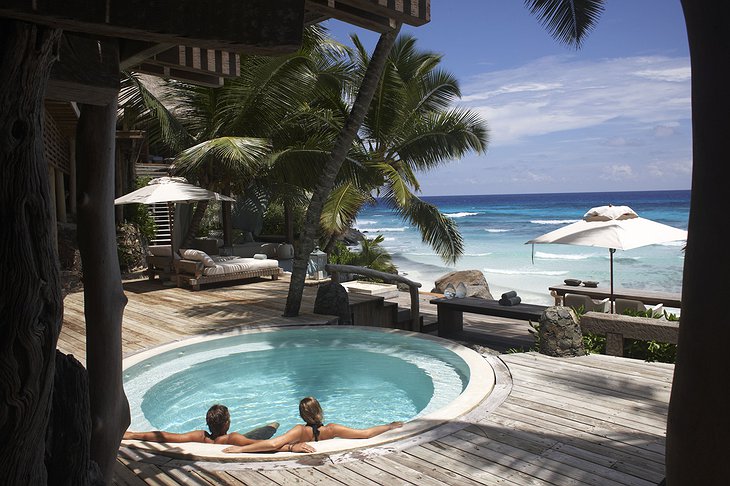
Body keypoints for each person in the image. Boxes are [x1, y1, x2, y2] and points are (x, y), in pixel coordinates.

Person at [222, 396, 403, 454]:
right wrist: (389, 426)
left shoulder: (299, 431)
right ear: (320, 411)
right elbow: (366, 434)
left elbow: (272, 444)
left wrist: (239, 450)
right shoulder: (332, 429)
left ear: (302, 415)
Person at [123, 404, 279, 446]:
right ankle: (274, 425)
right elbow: (262, 445)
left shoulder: (201, 437)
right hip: (239, 443)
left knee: (271, 426)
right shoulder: (233, 438)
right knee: (272, 426)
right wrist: (290, 447)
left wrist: (134, 435)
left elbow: (166, 436)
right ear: (226, 424)